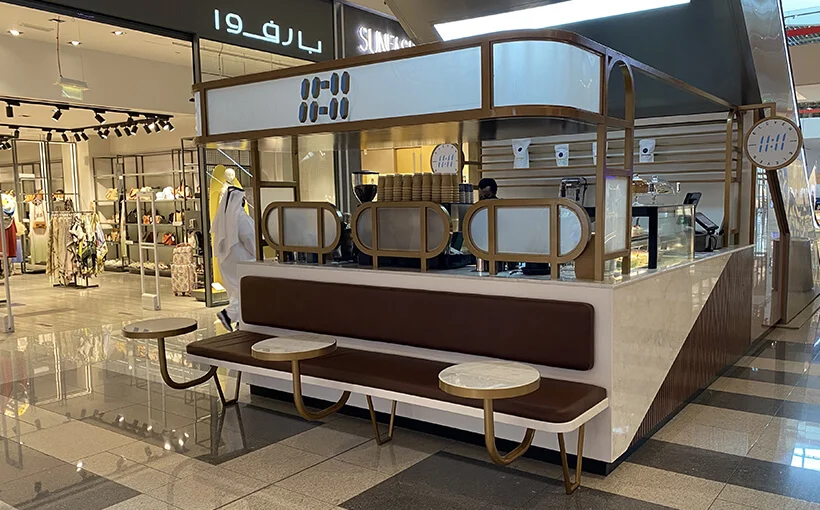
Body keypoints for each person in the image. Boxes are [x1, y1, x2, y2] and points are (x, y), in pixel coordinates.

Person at [211, 186, 255, 332]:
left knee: (236, 292)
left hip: (226, 261)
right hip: (242, 261)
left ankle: (240, 323)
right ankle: (228, 315)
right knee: (246, 292)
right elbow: (250, 238)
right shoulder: (241, 217)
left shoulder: (223, 219)